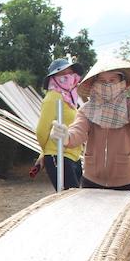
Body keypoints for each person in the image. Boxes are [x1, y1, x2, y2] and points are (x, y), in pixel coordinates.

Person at [50, 58, 130, 192]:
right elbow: (78, 131)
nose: (107, 85)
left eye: (112, 80)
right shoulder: (87, 109)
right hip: (92, 179)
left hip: (126, 180)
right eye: (102, 81)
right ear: (95, 84)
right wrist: (66, 136)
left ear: (123, 83)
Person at [35, 58, 85, 190]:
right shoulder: (52, 98)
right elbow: (41, 131)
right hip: (59, 155)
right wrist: (46, 152)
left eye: (70, 73)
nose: (67, 77)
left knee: (74, 199)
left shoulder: (70, 99)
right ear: (53, 78)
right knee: (70, 200)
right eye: (62, 74)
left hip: (74, 155)